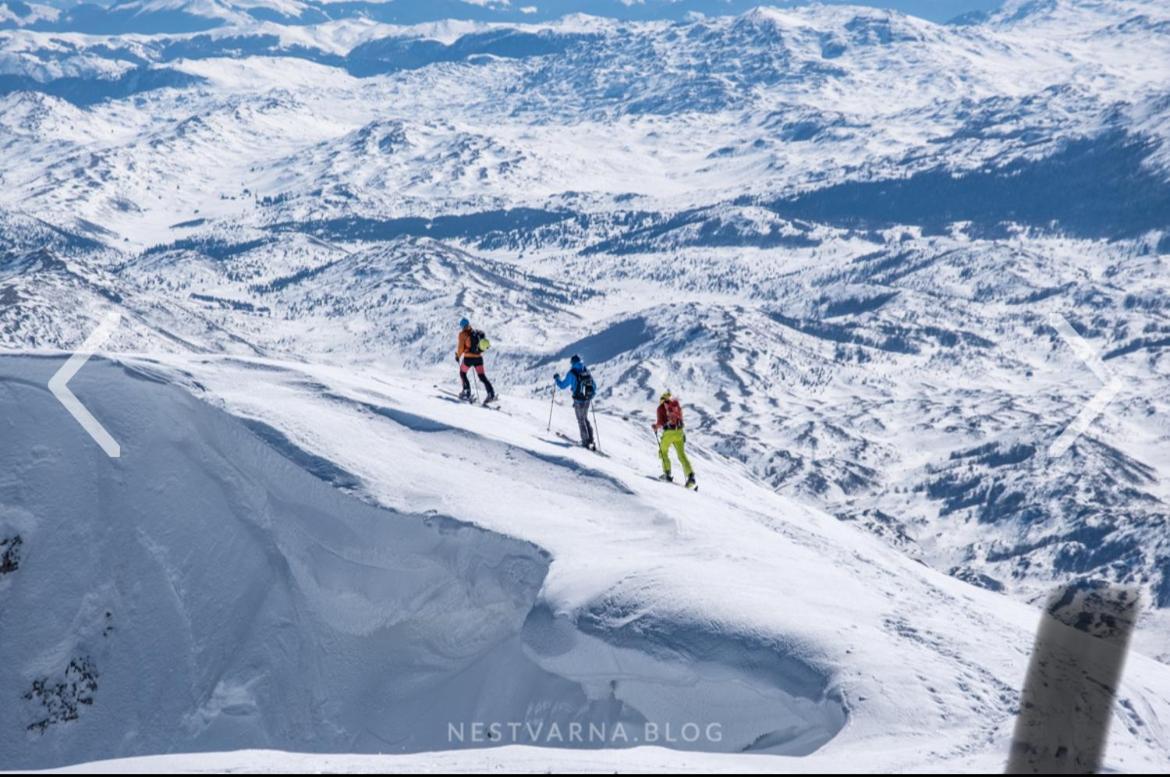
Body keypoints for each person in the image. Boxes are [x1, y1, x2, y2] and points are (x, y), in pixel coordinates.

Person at [652, 390, 696, 489]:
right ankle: (691, 477)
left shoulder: (660, 408)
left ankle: (667, 474)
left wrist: (655, 427)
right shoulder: (676, 405)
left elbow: (660, 422)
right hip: (679, 432)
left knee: (663, 452)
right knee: (682, 455)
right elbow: (680, 419)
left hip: (669, 433)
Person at [553, 355, 596, 449]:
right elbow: (594, 385)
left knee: (581, 420)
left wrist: (557, 379)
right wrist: (591, 395)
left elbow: (563, 385)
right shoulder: (585, 370)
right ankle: (591, 439)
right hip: (587, 399)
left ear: (572, 362)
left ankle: (585, 442)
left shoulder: (572, 373)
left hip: (578, 400)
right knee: (585, 418)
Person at [456, 318, 495, 403]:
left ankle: (467, 392)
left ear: (462, 326)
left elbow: (460, 348)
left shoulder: (462, 334)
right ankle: (491, 393)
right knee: (482, 376)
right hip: (479, 359)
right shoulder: (475, 332)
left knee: (462, 373)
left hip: (468, 359)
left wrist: (458, 356)